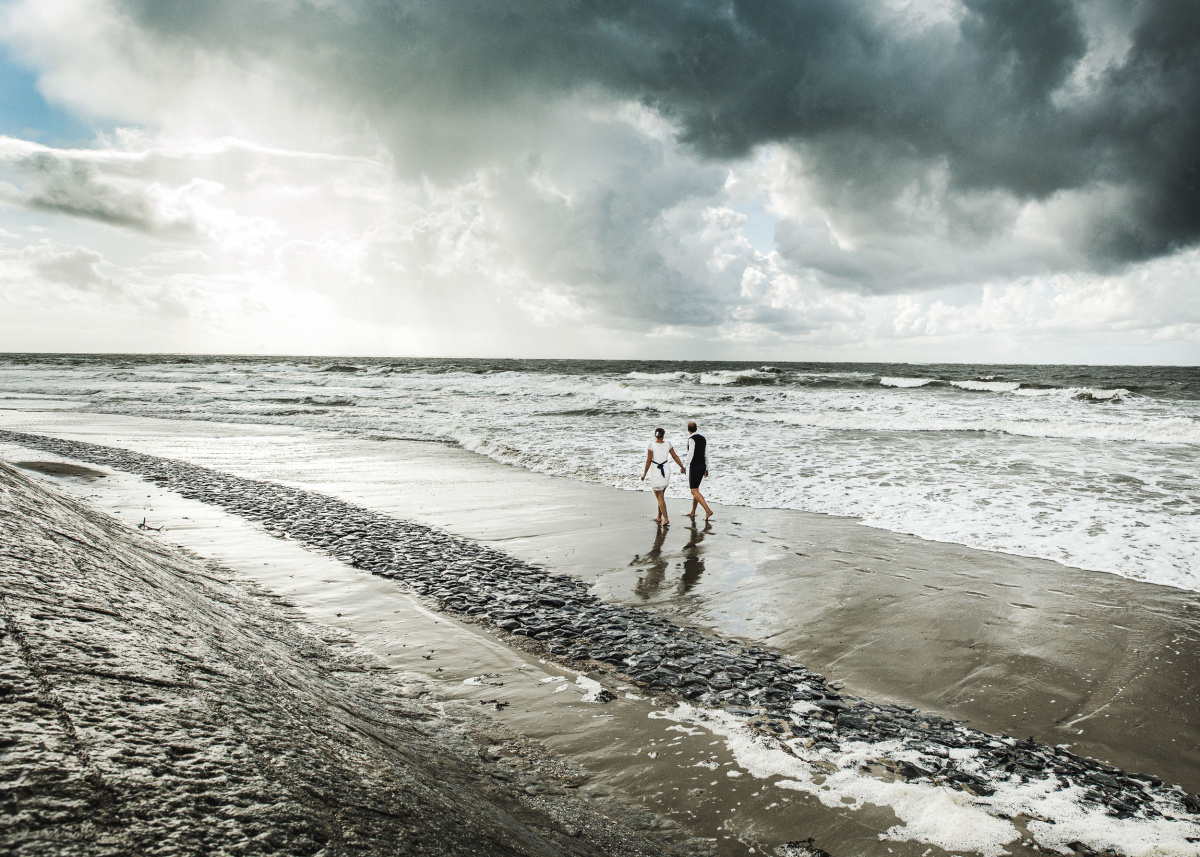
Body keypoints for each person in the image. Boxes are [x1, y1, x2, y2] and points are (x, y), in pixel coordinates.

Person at [640, 426, 685, 526]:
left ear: (655, 435)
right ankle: (659, 516)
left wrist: (644, 473)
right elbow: (675, 456)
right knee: (661, 496)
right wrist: (682, 467)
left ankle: (666, 519)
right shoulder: (668, 444)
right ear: (663, 435)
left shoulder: (651, 445)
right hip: (666, 470)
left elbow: (648, 460)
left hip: (656, 471)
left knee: (659, 496)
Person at [683, 420, 714, 520]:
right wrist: (707, 467)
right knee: (696, 489)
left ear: (688, 430)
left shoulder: (691, 439)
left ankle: (707, 510)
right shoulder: (703, 438)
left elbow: (690, 453)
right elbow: (706, 454)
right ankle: (693, 512)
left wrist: (684, 466)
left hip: (695, 466)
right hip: (702, 465)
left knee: (694, 490)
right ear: (696, 429)